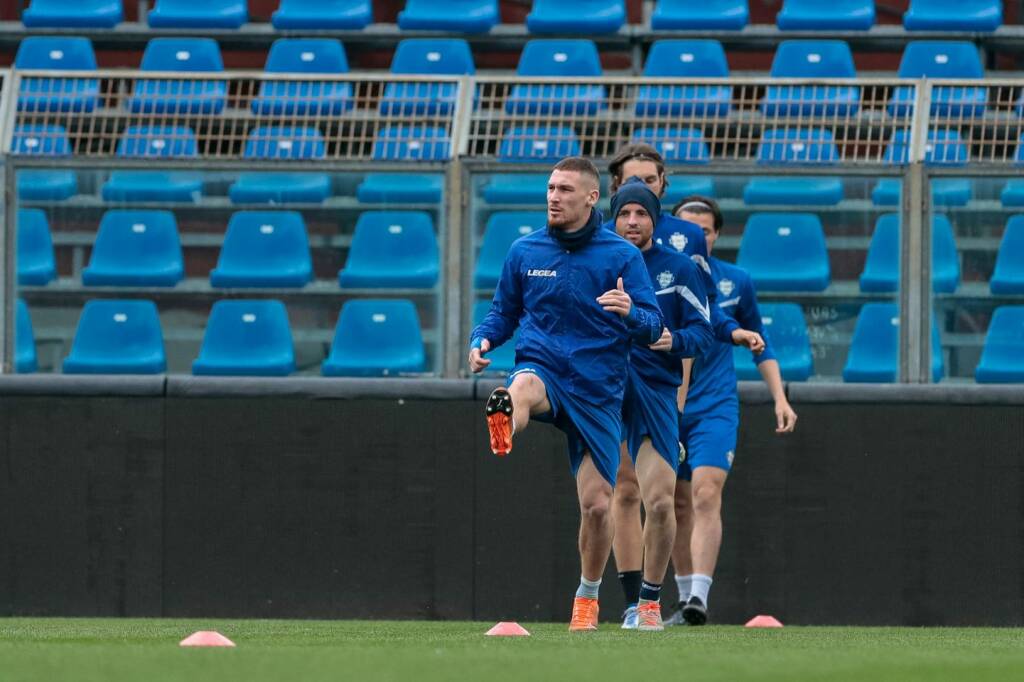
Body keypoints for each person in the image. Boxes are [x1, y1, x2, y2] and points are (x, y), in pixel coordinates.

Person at [468, 157, 664, 632]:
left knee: (598, 506)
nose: (554, 197)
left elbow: (655, 325)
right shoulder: (524, 251)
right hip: (546, 367)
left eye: (565, 190)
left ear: (592, 197)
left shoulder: (621, 256)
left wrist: (630, 312)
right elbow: (502, 314)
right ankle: (505, 422)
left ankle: (587, 598)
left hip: (598, 388)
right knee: (522, 384)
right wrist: (483, 340)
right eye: (551, 188)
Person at [604, 146, 765, 627]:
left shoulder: (686, 242)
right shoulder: (596, 245)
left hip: (662, 386)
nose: (643, 191)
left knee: (662, 495)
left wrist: (679, 387)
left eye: (651, 181)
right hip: (611, 386)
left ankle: (657, 601)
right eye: (633, 183)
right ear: (615, 189)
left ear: (662, 186)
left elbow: (698, 320)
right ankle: (631, 602)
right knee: (619, 492)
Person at [666, 196, 799, 626]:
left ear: (716, 234)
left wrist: (779, 397)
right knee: (674, 503)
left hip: (715, 405)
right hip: (667, 402)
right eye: (688, 228)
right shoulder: (659, 276)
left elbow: (760, 340)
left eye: (704, 230)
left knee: (706, 492)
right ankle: (683, 599)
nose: (696, 237)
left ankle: (699, 599)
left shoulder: (735, 281)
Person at [609, 178, 714, 631]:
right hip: (603, 391)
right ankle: (613, 601)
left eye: (642, 214)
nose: (633, 222)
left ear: (655, 219)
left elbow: (703, 333)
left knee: (659, 501)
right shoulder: (594, 262)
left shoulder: (679, 268)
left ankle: (650, 603)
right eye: (625, 213)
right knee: (604, 499)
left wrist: (675, 339)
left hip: (654, 392)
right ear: (612, 218)